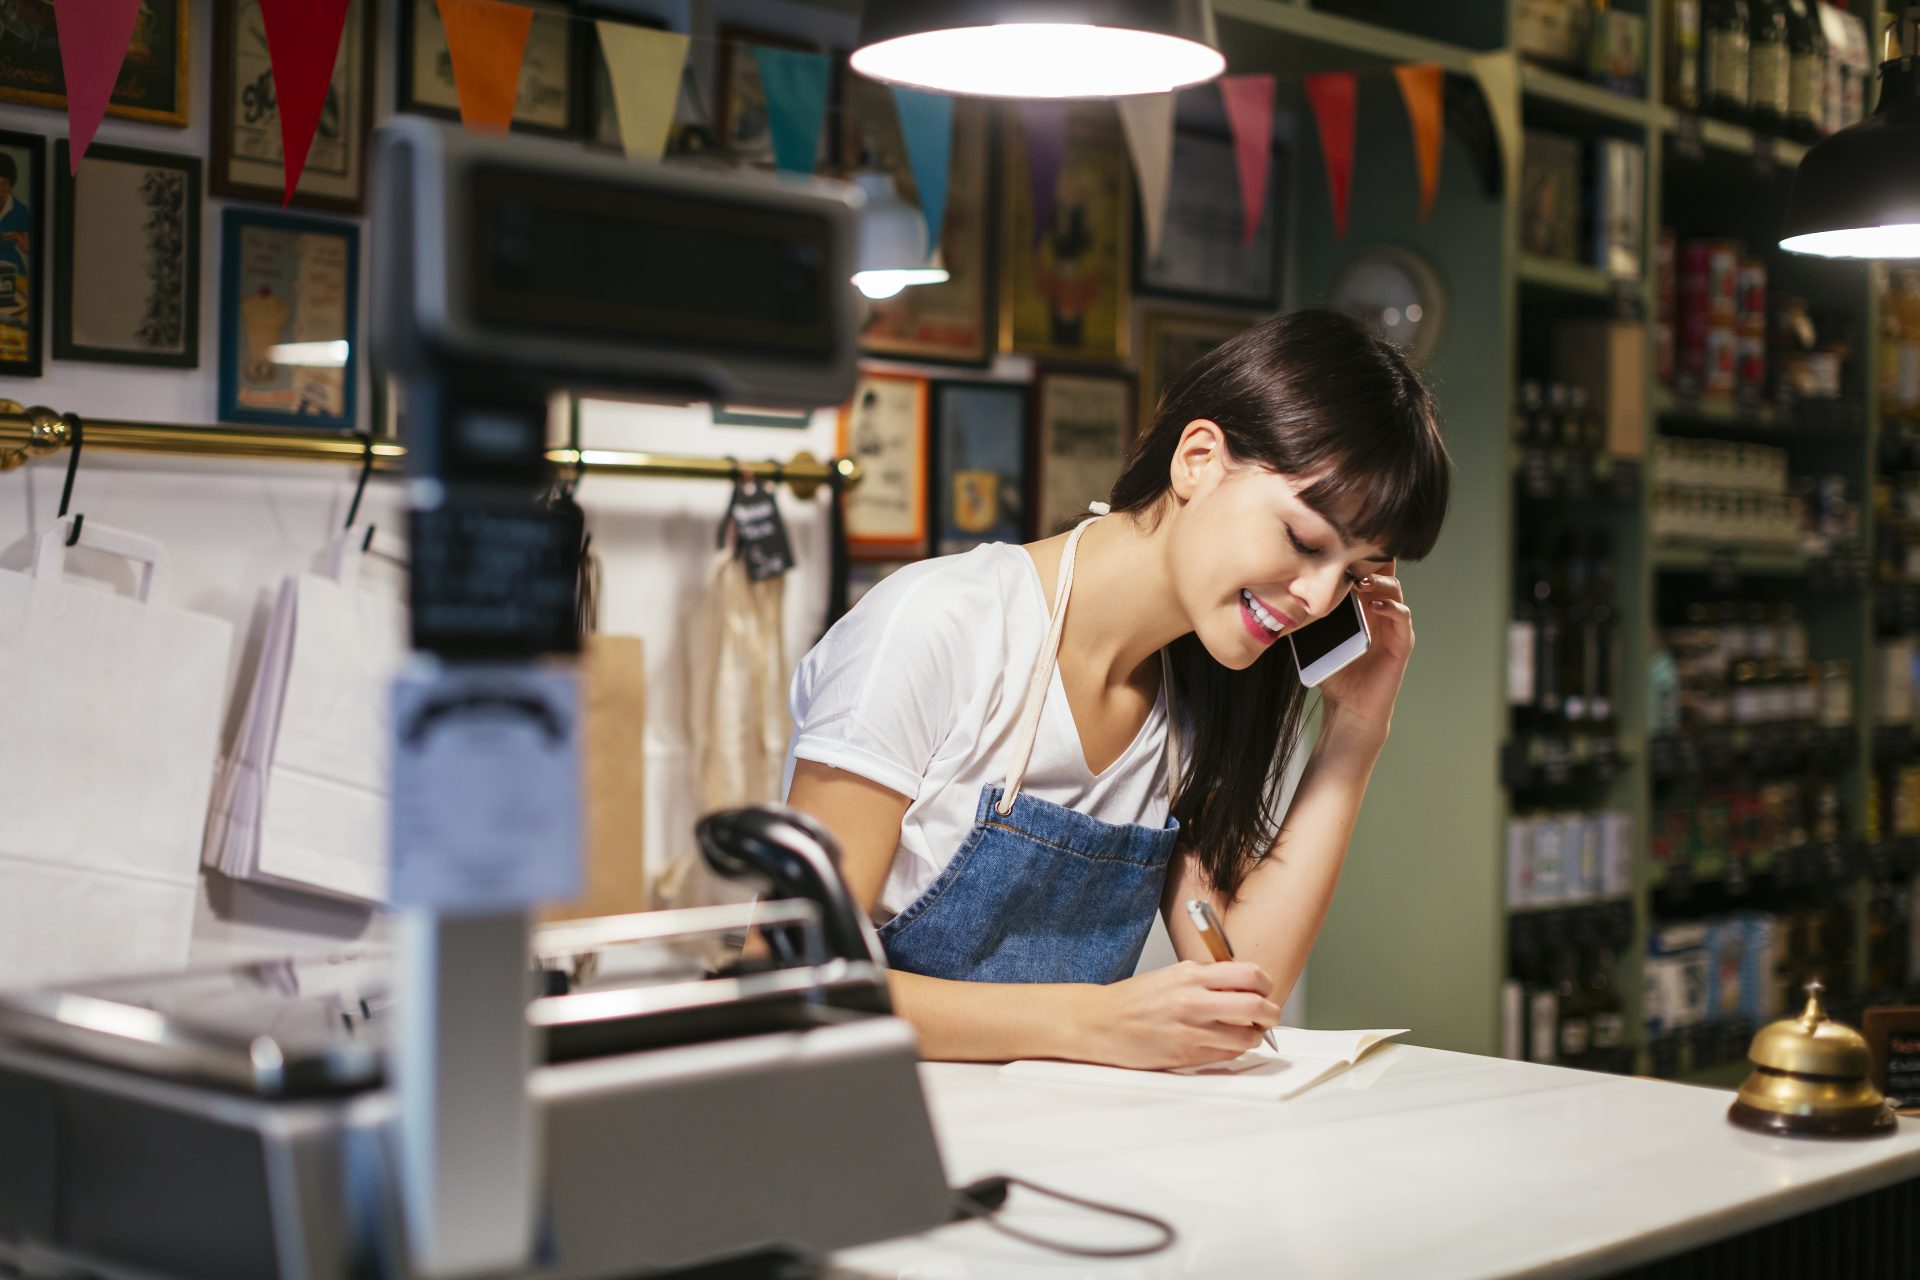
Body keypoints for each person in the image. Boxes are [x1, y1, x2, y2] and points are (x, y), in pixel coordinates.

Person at [783, 309, 1451, 1069]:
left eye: (1356, 572)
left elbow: (1245, 977)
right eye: (1305, 541)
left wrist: (1356, 733)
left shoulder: (1193, 701)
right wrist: (1091, 1022)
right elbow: (800, 982)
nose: (1319, 597)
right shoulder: (934, 627)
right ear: (1197, 459)